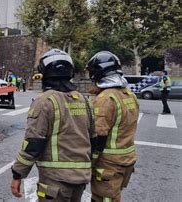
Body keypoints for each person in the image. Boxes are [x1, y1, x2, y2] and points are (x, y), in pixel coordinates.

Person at [11, 49, 93, 201]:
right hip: (81, 179)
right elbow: (92, 136)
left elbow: (33, 143)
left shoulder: (45, 101)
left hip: (55, 181)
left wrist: (18, 174)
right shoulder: (83, 100)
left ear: (44, 73)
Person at [86, 51, 138, 202]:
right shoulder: (129, 95)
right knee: (114, 196)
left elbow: (99, 136)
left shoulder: (105, 99)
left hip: (108, 163)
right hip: (126, 160)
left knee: (103, 199)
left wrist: (90, 163)